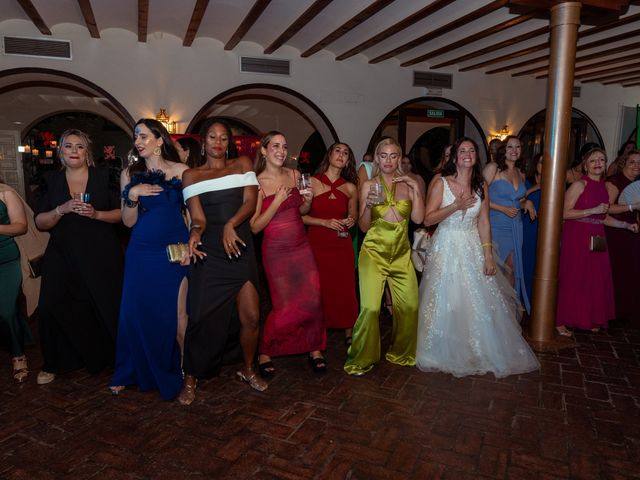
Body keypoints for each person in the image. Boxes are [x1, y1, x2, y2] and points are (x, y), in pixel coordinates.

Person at [416, 137, 539, 377]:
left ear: (476, 156)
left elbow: (483, 221)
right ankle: (442, 348)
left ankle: (474, 348)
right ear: (454, 156)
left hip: (472, 244)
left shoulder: (481, 184)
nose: (467, 154)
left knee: (475, 299)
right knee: (447, 298)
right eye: (462, 150)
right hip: (446, 244)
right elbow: (427, 219)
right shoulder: (441, 183)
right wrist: (456, 205)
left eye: (471, 150)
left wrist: (488, 255)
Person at [178, 119, 267, 405]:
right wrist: (194, 233)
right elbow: (199, 218)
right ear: (203, 142)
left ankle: (248, 368)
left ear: (230, 143)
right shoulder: (191, 175)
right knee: (201, 317)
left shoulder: (242, 164)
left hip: (240, 246)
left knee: (251, 316)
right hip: (211, 251)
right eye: (212, 137)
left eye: (224, 138)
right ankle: (190, 376)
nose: (218, 142)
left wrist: (231, 224)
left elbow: (250, 203)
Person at [34, 129, 123, 385]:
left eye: (80, 146)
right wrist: (61, 209)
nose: (74, 151)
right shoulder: (49, 179)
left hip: (101, 251)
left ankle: (113, 359)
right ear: (60, 151)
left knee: (105, 304)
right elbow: (40, 222)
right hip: (62, 252)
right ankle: (54, 362)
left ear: (87, 153)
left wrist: (96, 214)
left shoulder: (104, 176)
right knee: (51, 305)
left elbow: (122, 215)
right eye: (69, 146)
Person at [110, 119, 189, 400]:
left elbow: (191, 214)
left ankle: (182, 369)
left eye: (143, 136)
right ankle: (128, 370)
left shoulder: (182, 171)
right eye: (135, 137)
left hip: (175, 249)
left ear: (159, 139)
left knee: (177, 315)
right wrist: (131, 195)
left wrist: (191, 245)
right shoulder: (130, 172)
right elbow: (128, 222)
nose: (138, 141)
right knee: (134, 311)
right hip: (141, 250)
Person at [344, 137, 424, 376]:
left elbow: (419, 220)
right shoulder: (368, 184)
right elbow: (364, 227)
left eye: (393, 156)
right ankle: (363, 357)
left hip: (401, 254)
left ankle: (401, 353)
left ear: (399, 158)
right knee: (370, 308)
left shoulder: (410, 184)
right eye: (383, 155)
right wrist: (368, 205)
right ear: (376, 159)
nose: (388, 160)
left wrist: (417, 190)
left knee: (409, 306)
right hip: (374, 252)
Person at [250, 131, 326, 377]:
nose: (281, 151)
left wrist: (307, 200)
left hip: (300, 246)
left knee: (312, 297)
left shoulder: (295, 175)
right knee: (283, 304)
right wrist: (276, 200)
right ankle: (265, 351)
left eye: (284, 146)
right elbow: (254, 226)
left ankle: (314, 348)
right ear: (263, 150)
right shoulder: (256, 182)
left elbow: (302, 210)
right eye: (275, 146)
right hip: (275, 251)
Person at [556, 148, 638, 336]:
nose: (598, 163)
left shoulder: (603, 186)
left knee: (593, 279)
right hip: (577, 234)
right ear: (585, 165)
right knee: (574, 276)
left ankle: (588, 318)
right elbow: (563, 212)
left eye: (601, 160)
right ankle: (561, 321)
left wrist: (625, 225)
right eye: (593, 160)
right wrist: (591, 211)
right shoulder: (579, 185)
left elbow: (604, 217)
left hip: (597, 234)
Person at [303, 142, 359, 347]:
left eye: (346, 152)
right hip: (317, 243)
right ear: (329, 154)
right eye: (338, 150)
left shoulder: (351, 187)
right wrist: (324, 222)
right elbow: (299, 217)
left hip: (341, 245)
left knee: (345, 288)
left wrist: (351, 219)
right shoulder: (310, 182)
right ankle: (316, 334)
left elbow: (353, 213)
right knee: (317, 289)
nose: (341, 155)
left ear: (347, 161)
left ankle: (349, 330)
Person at [483, 135, 535, 312]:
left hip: (515, 226)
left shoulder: (520, 173)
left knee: (512, 269)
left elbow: (518, 200)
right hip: (496, 225)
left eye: (518, 147)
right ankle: (492, 309)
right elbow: (479, 196)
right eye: (510, 147)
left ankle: (507, 310)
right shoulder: (493, 169)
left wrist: (525, 203)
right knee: (496, 268)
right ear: (504, 150)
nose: (514, 150)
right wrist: (501, 208)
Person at [0, 180, 32, 383]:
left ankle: (18, 355)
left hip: (6, 260)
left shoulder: (5, 193)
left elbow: (21, 226)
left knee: (7, 311)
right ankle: (21, 333)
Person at [605, 150, 640, 323]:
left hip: (632, 230)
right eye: (632, 162)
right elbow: (607, 208)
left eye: (639, 163)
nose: (636, 166)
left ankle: (629, 311)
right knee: (617, 272)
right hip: (616, 231)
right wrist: (632, 207)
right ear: (624, 163)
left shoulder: (637, 184)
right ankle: (615, 311)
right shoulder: (614, 181)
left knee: (632, 272)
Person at [522, 153, 542, 303]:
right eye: (541, 162)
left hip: (544, 228)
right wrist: (537, 187)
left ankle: (538, 302)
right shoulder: (526, 181)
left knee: (540, 263)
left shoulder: (555, 184)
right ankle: (524, 300)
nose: (544, 166)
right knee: (527, 262)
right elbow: (519, 199)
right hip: (527, 225)